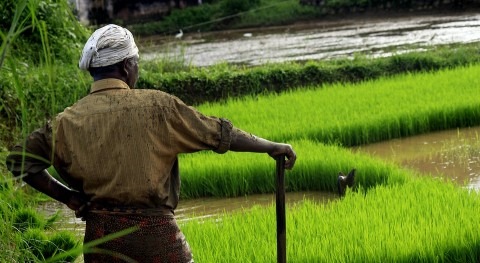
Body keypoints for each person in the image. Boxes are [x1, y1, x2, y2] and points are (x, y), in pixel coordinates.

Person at [6, 24, 296, 263]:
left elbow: (18, 160)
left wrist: (69, 197)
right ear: (126, 66)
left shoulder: (66, 121)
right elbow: (218, 133)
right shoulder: (157, 106)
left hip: (101, 241)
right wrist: (271, 146)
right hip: (157, 237)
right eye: (137, 63)